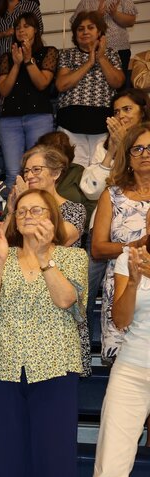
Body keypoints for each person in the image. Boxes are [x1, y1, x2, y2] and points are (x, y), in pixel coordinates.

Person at [0, 189, 88, 477]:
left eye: (36, 210)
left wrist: (43, 258)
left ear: (52, 217)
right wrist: (0, 261)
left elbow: (67, 298)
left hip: (54, 367)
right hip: (4, 366)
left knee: (53, 462)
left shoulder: (72, 257)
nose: (27, 216)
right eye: (21, 210)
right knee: (5, 462)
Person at [80, 241, 150, 477]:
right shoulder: (131, 258)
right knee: (110, 467)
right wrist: (134, 283)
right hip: (132, 369)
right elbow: (121, 320)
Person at [91, 123, 150, 363]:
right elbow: (97, 248)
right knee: (123, 367)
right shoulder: (112, 195)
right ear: (128, 157)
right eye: (137, 149)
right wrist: (136, 245)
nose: (145, 154)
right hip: (122, 285)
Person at [0, 13, 58, 193]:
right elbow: (4, 90)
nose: (21, 30)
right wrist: (16, 64)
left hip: (39, 117)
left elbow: (42, 83)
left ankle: (41, 211)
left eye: (26, 26)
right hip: (10, 120)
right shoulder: (7, 57)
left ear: (36, 30)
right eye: (18, 27)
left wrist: (28, 60)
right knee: (13, 173)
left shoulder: (49, 52)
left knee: (39, 170)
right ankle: (12, 216)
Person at [55, 11, 125, 168]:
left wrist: (100, 58)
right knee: (73, 171)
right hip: (70, 124)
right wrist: (89, 62)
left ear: (99, 32)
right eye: (80, 29)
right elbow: (61, 84)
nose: (85, 31)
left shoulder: (111, 54)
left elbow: (118, 82)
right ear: (75, 33)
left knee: (101, 170)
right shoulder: (67, 55)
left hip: (102, 125)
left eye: (90, 27)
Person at [81, 89, 150, 200]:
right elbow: (92, 191)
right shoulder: (104, 145)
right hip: (111, 206)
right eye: (116, 112)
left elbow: (140, 178)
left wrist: (124, 146)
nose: (121, 116)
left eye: (127, 109)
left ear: (142, 111)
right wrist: (110, 153)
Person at [70, 0, 137, 76]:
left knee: (118, 82)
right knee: (93, 81)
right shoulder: (85, 2)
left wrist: (115, 14)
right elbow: (75, 24)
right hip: (91, 51)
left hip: (119, 49)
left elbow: (131, 21)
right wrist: (96, 16)